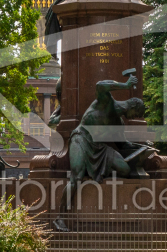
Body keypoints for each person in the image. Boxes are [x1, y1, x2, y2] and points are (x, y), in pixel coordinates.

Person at [64, 71, 154, 210]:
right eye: (135, 114)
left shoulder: (119, 123)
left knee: (125, 170)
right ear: (132, 107)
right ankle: (61, 216)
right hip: (81, 139)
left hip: (99, 148)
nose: (133, 118)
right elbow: (100, 85)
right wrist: (126, 85)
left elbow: (123, 144)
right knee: (76, 177)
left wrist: (142, 147)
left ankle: (101, 185)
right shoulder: (107, 102)